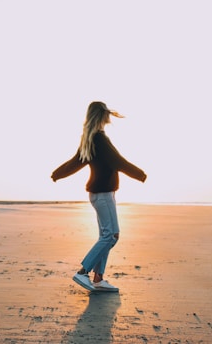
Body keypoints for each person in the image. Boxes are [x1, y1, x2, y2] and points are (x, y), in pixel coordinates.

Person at [51, 101, 147, 292]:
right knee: (110, 235)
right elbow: (118, 161)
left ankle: (98, 278)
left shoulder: (90, 139)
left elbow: (75, 162)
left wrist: (57, 174)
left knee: (109, 235)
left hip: (100, 194)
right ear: (102, 116)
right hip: (103, 194)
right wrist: (140, 175)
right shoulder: (100, 139)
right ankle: (83, 271)